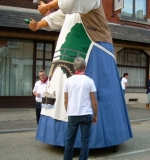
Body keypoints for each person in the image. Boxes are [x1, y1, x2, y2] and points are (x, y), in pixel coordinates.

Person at [28, 0, 132, 148]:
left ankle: (103, 136)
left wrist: (48, 6)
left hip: (93, 47)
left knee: (89, 93)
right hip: (66, 51)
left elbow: (70, 3)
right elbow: (60, 15)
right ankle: (58, 135)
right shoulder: (72, 8)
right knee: (57, 87)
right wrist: (39, 24)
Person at [63, 57, 98, 160]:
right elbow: (94, 101)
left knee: (69, 140)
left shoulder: (68, 81)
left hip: (73, 114)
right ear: (84, 67)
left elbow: (65, 101)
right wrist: (95, 115)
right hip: (86, 114)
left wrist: (68, 111)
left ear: (74, 67)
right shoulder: (89, 81)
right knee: (85, 140)